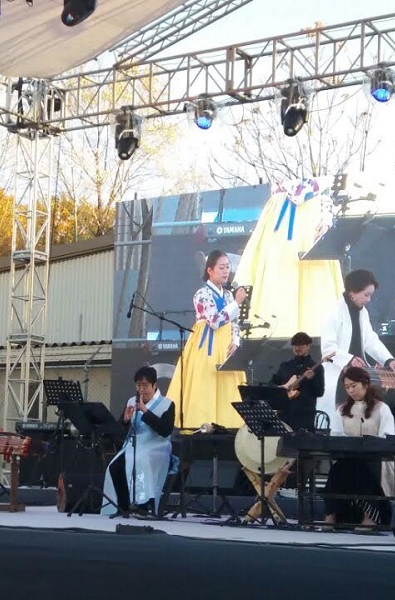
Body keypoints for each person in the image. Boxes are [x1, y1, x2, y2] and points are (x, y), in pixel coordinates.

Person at [234, 178, 344, 339]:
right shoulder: (320, 201)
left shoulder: (314, 201)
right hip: (295, 219)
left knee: (283, 280)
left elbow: (256, 247)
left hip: (288, 222)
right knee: (305, 283)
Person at [167, 250, 247, 428]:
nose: (226, 271)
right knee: (205, 384)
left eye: (227, 267)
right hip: (207, 346)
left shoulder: (228, 295)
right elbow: (215, 321)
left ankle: (228, 425)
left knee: (227, 385)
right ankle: (199, 424)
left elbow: (235, 322)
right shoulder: (202, 294)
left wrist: (235, 341)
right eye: (221, 267)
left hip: (225, 346)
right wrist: (236, 303)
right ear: (210, 270)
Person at [317, 269, 395, 417]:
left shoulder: (362, 312)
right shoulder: (334, 311)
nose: (369, 299)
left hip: (358, 376)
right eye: (366, 295)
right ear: (353, 292)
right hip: (339, 376)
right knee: (342, 418)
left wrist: (389, 360)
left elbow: (371, 340)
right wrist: (350, 359)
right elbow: (327, 348)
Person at [323, 367, 395, 527]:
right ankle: (331, 515)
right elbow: (336, 435)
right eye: (347, 387)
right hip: (349, 456)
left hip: (375, 458)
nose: (350, 390)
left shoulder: (381, 408)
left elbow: (387, 437)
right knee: (337, 470)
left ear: (365, 384)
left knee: (364, 470)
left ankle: (369, 516)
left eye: (354, 386)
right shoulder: (342, 409)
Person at [101, 366, 174, 516]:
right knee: (115, 467)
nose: (141, 390)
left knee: (141, 460)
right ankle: (124, 506)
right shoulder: (131, 401)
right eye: (138, 385)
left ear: (154, 385)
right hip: (135, 445)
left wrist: (145, 411)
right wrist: (126, 421)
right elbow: (120, 431)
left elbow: (165, 430)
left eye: (145, 386)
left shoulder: (167, 404)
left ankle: (143, 505)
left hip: (156, 446)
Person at [269, 332, 325, 432]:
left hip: (304, 416)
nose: (297, 348)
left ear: (308, 345)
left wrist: (312, 379)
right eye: (295, 345)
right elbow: (272, 383)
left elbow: (319, 392)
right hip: (284, 414)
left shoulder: (316, 367)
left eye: (301, 345)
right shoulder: (285, 366)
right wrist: (281, 388)